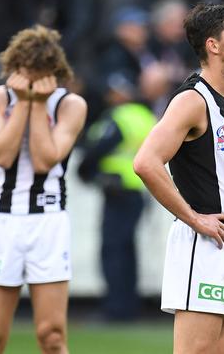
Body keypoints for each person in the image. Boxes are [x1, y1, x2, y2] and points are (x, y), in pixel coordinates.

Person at [134, 1, 224, 354]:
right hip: (205, 245)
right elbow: (146, 163)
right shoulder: (193, 100)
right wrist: (194, 218)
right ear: (212, 46)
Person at [0, 25, 87, 354]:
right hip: (2, 220)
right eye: (26, 72)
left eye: (41, 73)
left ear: (55, 71)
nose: (34, 80)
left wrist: (37, 104)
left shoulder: (71, 105)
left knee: (51, 337)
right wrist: (22, 103)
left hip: (47, 221)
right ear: (14, 67)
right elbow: (3, 155)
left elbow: (44, 160)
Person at [78, 89, 157, 322]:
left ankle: (115, 308)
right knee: (127, 249)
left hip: (117, 189)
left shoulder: (119, 116)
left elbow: (98, 148)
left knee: (113, 250)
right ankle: (128, 306)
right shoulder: (145, 115)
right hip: (138, 189)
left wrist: (85, 171)